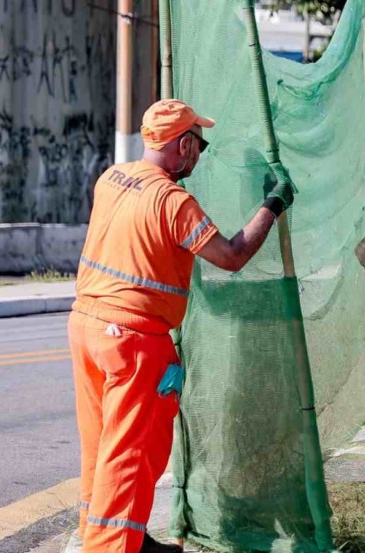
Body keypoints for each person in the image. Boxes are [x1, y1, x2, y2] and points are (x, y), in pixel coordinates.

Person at [68, 99, 294, 553]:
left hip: (86, 327)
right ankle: (109, 548)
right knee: (129, 453)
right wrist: (272, 205)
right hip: (133, 340)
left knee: (100, 443)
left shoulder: (111, 179)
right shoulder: (173, 202)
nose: (200, 154)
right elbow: (231, 256)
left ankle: (101, 535)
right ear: (184, 144)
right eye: (199, 144)